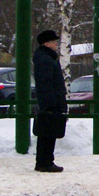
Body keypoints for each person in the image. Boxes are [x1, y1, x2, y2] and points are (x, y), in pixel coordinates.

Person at [32, 29, 67, 173]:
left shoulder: (46, 58)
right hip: (51, 101)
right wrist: (51, 103)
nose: (56, 44)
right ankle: (45, 162)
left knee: (47, 131)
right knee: (48, 132)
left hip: (50, 100)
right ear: (47, 43)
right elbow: (46, 83)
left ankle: (44, 161)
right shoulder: (45, 60)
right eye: (54, 42)